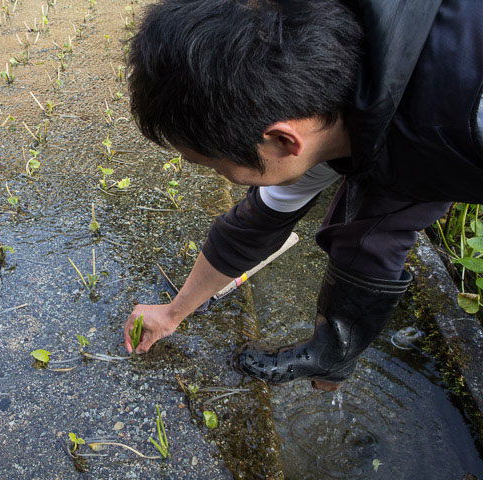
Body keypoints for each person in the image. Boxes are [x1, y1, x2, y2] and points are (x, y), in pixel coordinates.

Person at [122, 0, 483, 391]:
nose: (217, 172)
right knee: (367, 227)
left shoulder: (465, 118)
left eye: (212, 165)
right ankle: (333, 357)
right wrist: (173, 313)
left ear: (281, 140)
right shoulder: (327, 100)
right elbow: (254, 227)